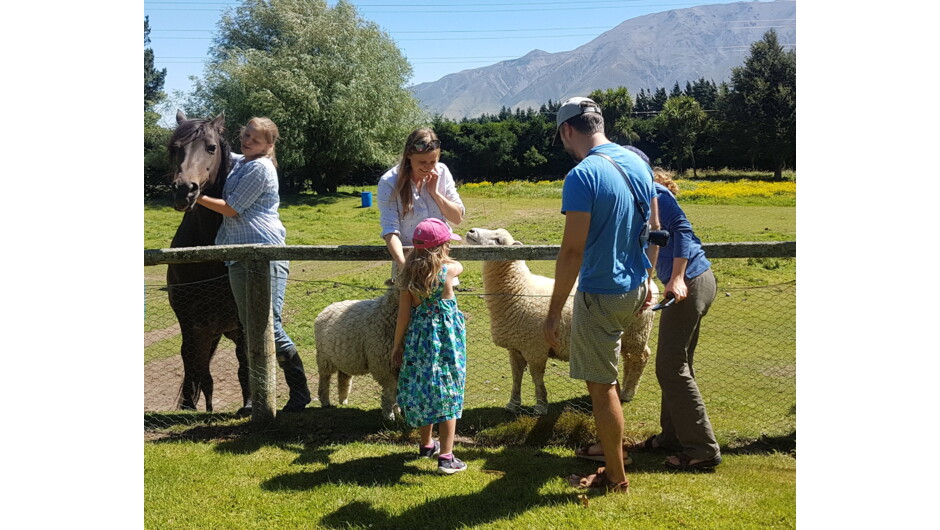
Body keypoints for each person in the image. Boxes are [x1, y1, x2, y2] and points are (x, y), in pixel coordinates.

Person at [543, 97, 656, 494]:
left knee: (602, 385)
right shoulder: (638, 163)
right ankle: (614, 463)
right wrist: (648, 278)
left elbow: (572, 251)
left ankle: (615, 476)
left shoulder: (582, 176)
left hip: (600, 293)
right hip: (636, 288)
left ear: (567, 130)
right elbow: (655, 230)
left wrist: (554, 312)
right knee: (609, 379)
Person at [195, 117, 311, 413]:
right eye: (245, 135)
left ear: (269, 145)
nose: (247, 142)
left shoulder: (259, 167)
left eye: (255, 140)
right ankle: (264, 398)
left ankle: (299, 391)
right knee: (252, 327)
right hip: (239, 254)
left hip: (263, 254)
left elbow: (232, 209)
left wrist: (197, 196)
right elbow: (218, 153)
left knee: (268, 327)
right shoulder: (244, 161)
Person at [641, 166, 722, 471]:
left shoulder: (655, 194)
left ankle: (702, 448)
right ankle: (673, 437)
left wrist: (676, 278)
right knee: (678, 363)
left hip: (690, 281)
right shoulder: (647, 198)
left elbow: (684, 230)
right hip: (697, 279)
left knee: (670, 365)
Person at [390, 218, 468, 475]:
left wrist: (397, 345)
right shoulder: (447, 271)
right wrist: (445, 260)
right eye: (446, 244)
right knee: (448, 391)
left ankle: (426, 444)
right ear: (441, 248)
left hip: (418, 340)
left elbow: (403, 314)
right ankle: (446, 456)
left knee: (425, 388)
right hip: (446, 343)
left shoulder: (407, 276)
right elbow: (460, 266)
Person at [377, 128, 465, 278]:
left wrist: (435, 193)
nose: (428, 167)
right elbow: (390, 231)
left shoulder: (442, 172)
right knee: (403, 301)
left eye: (433, 161)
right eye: (422, 161)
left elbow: (457, 218)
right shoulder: (389, 182)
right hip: (407, 260)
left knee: (443, 301)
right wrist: (404, 267)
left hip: (441, 260)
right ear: (409, 155)